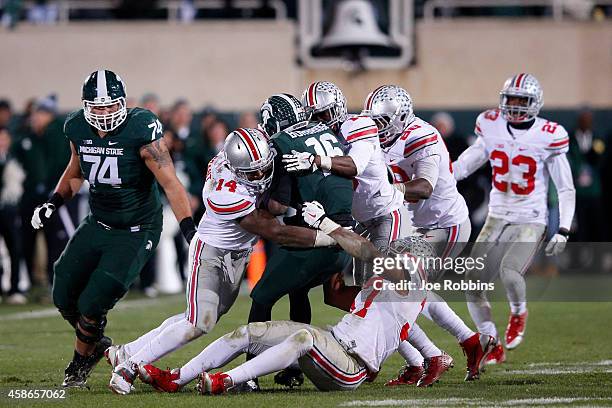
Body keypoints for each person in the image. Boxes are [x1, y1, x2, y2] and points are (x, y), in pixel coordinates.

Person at [106, 128, 340, 394]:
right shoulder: (224, 190)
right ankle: (128, 368)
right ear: (234, 168)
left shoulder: (257, 153)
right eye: (253, 173)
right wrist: (330, 237)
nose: (261, 176)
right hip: (213, 253)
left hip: (238, 254)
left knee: (198, 317)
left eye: (264, 168)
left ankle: (126, 352)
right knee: (198, 322)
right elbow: (275, 231)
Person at [138, 213, 433, 394]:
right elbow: (336, 296)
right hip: (333, 345)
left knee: (304, 337)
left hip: (351, 366)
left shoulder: (411, 282)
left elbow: (373, 255)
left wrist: (333, 228)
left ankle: (225, 380)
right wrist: (331, 268)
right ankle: (175, 379)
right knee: (249, 332)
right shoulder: (386, 287)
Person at [31, 69, 197, 388]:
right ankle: (97, 346)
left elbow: (171, 184)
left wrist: (189, 230)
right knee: (63, 291)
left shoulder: (141, 128)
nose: (104, 113)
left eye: (110, 106)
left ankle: (80, 361)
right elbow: (75, 170)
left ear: (122, 103)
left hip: (137, 228)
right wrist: (53, 201)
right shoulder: (77, 126)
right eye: (97, 106)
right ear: (85, 106)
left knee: (92, 303)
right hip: (98, 222)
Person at [366, 85, 494, 383]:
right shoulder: (380, 134)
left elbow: (424, 188)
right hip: (409, 223)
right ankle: (466, 343)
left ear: (401, 117)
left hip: (444, 224)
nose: (377, 128)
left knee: (400, 293)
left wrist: (384, 190)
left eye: (383, 122)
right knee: (397, 292)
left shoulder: (422, 137)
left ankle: (421, 358)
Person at [453, 73, 576, 363]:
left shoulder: (549, 134)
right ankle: (491, 341)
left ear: (535, 103)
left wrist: (564, 229)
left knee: (510, 271)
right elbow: (469, 161)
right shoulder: (491, 124)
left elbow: (566, 186)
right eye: (512, 99)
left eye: (523, 100)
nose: (516, 105)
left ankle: (519, 312)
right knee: (472, 283)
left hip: (530, 217)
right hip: (497, 216)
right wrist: (441, 178)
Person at [13, 95, 71, 297]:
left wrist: (52, 189)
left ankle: (52, 282)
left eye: (42, 113)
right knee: (26, 240)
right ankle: (27, 281)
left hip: (51, 197)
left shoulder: (56, 135)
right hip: (29, 198)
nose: (37, 117)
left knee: (54, 241)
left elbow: (62, 165)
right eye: (36, 113)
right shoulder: (26, 137)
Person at [0, 127, 24, 304]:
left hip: (9, 210)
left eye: (5, 138)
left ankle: (15, 289)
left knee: (14, 248)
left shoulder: (13, 156)